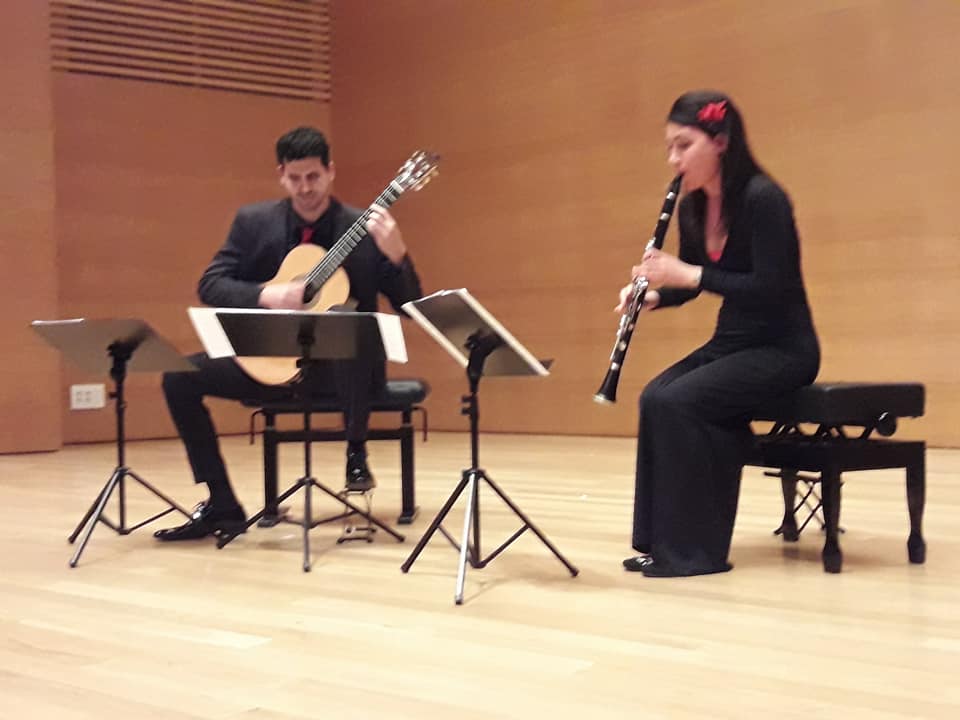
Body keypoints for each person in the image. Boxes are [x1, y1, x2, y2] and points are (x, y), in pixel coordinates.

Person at [155, 126, 423, 542]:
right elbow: (211, 284)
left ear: (330, 172)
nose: (305, 188)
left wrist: (398, 255)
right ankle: (222, 505)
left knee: (347, 322)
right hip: (272, 364)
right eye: (295, 178)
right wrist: (269, 294)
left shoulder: (363, 229)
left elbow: (410, 306)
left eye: (313, 177)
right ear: (281, 175)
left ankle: (356, 451)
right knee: (178, 376)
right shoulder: (253, 223)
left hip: (345, 373)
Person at [618, 91, 820, 577]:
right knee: (655, 395)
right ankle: (660, 543)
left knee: (679, 401)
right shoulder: (691, 209)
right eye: (669, 147)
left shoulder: (762, 198)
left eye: (684, 145)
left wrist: (685, 275)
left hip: (783, 347)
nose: (673, 159)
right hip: (734, 342)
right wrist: (654, 296)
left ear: (721, 143)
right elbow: (690, 286)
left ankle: (695, 554)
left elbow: (773, 287)